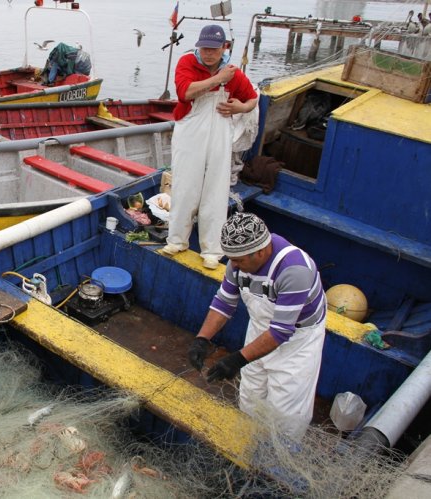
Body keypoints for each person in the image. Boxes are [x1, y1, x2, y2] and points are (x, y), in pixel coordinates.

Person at [187, 212, 327, 440]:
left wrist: (237, 360)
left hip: (296, 342)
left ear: (260, 251)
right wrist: (201, 339)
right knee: (251, 394)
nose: (234, 266)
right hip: (261, 328)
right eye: (232, 260)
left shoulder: (294, 270)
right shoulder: (238, 262)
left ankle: (280, 458)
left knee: (285, 412)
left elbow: (280, 332)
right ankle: (250, 445)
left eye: (239, 260)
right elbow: (224, 302)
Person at [161, 25, 258, 270]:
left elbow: (252, 98)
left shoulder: (234, 74)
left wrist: (241, 108)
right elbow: (185, 92)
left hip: (219, 133)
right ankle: (176, 240)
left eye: (214, 49)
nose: (209, 53)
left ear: (224, 48)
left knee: (216, 188)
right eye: (204, 48)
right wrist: (218, 79)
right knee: (185, 184)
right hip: (190, 131)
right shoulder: (187, 63)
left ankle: (212, 251)